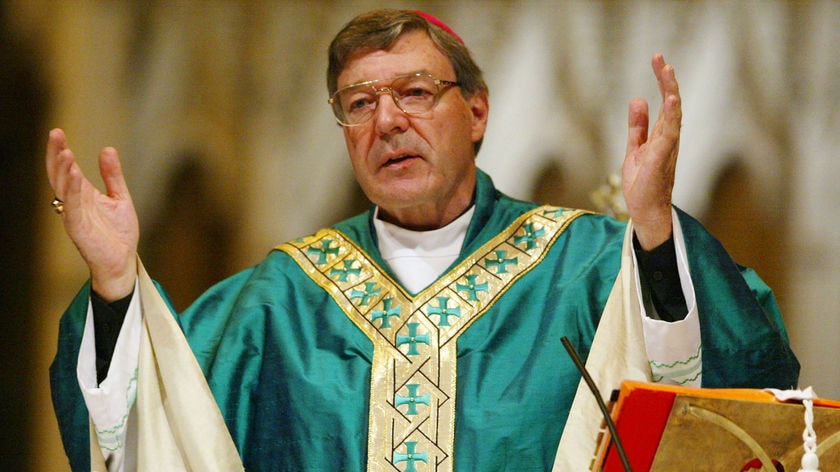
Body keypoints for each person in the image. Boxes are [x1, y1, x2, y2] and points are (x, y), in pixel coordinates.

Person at [47, 9, 799, 472]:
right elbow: (150, 432)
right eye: (359, 104)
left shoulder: (590, 268)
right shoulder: (280, 302)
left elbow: (728, 398)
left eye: (414, 92)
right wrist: (116, 287)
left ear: (476, 112)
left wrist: (657, 229)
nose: (387, 122)